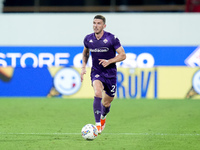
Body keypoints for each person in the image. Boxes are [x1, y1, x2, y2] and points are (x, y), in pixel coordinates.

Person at [81, 15, 126, 134]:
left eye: (99, 23)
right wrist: (83, 67)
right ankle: (97, 125)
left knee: (107, 103)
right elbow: (85, 52)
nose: (96, 25)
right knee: (97, 92)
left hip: (110, 74)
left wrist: (109, 61)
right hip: (97, 72)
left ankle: (103, 117)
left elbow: (123, 55)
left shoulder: (112, 38)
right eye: (94, 23)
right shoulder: (88, 39)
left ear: (104, 26)